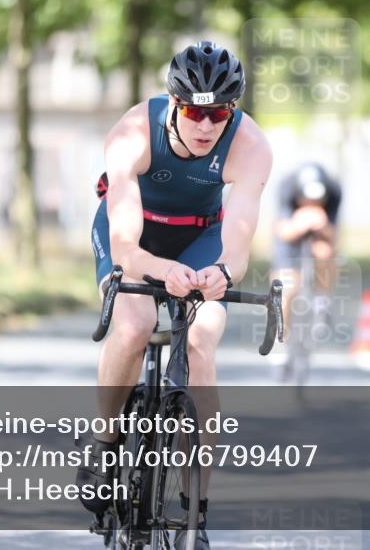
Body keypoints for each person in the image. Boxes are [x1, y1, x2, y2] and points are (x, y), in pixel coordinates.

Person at [79, 41, 272, 550]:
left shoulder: (251, 145)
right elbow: (125, 244)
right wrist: (162, 271)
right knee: (134, 325)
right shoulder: (132, 133)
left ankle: (196, 505)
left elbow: (240, 232)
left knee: (201, 342)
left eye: (218, 114)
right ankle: (103, 443)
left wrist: (222, 272)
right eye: (193, 112)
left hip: (200, 237)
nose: (206, 126)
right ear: (173, 104)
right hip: (139, 239)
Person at [270, 162, 342, 381]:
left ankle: (322, 302)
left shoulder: (334, 191)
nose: (312, 203)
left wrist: (322, 227)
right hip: (292, 231)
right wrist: (299, 225)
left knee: (325, 252)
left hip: (321, 230)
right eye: (307, 199)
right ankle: (279, 337)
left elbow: (335, 234)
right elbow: (282, 231)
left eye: (317, 200)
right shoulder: (287, 187)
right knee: (285, 284)